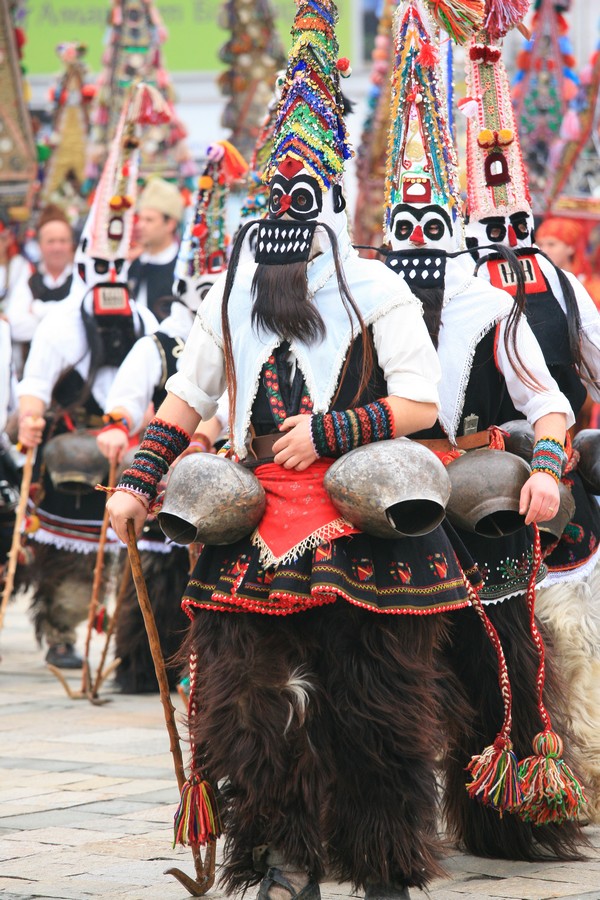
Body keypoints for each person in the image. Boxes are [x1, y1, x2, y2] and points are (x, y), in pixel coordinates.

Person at [107, 4, 484, 898]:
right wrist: (137, 480)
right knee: (246, 707)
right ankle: (282, 857)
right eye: (275, 196)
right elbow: (188, 397)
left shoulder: (375, 286)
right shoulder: (231, 289)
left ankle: (385, 866)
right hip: (253, 518)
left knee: (375, 712)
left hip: (364, 509)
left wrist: (330, 431)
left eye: (301, 196)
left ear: (329, 201)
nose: (285, 212)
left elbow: (422, 402)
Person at [380, 0, 586, 857]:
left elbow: (549, 402)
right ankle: (369, 827)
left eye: (433, 227)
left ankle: (506, 814)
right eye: (404, 229)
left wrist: (546, 465)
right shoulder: (362, 292)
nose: (418, 243)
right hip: (378, 497)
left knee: (499, 663)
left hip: (475, 495)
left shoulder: (491, 304)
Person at [463, 13, 600, 821]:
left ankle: (569, 780)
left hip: (550, 483)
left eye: (515, 223)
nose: (507, 237)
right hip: (471, 487)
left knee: (568, 644)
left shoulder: (550, 277)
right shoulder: (451, 279)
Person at [16, 88, 159, 669]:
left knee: (132, 553)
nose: (109, 275)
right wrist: (29, 417)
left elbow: (162, 380)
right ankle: (61, 632)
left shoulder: (143, 318)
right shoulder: (59, 321)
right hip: (75, 449)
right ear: (83, 262)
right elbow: (34, 383)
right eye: (100, 265)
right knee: (70, 555)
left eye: (117, 266)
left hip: (131, 449)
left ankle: (131, 643)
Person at [96, 142, 243, 693]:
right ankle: (146, 664)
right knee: (158, 572)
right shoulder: (157, 343)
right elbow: (129, 393)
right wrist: (118, 424)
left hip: (222, 469)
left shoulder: (241, 338)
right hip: (163, 470)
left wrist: (208, 439)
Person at [4, 204, 78, 376]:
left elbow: (83, 323)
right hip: (34, 372)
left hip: (74, 376)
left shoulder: (81, 277)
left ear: (71, 245)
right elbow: (15, 325)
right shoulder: (28, 275)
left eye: (63, 241)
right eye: (51, 241)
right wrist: (65, 323)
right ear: (40, 245)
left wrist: (38, 309)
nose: (57, 247)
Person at [127, 176, 184, 322]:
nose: (140, 225)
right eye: (140, 219)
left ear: (170, 224)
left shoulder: (182, 268)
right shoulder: (133, 263)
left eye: (149, 220)